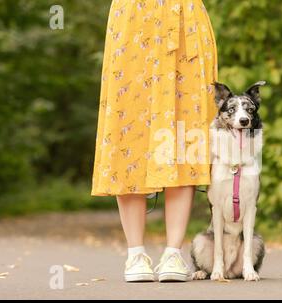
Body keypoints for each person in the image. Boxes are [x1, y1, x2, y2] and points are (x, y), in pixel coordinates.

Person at [91, 0, 218, 282]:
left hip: (184, 20)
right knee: (128, 131)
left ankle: (173, 252)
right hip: (132, 20)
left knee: (184, 134)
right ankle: (135, 253)